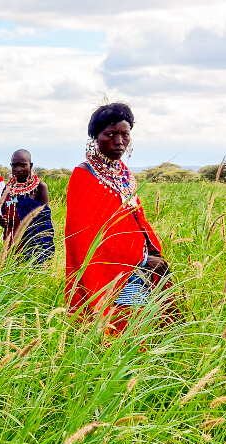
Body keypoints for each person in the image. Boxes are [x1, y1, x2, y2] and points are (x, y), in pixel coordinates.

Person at [65, 103, 171, 326]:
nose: (119, 141)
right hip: (111, 270)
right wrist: (139, 259)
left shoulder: (124, 174)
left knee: (141, 327)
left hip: (142, 266)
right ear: (95, 137)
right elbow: (85, 237)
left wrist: (151, 250)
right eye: (111, 134)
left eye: (125, 134)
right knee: (118, 329)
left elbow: (137, 220)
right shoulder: (84, 176)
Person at [0, 149, 54, 265]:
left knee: (30, 275)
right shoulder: (8, 189)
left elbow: (44, 221)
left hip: (32, 243)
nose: (18, 169)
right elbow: (5, 212)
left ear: (31, 165)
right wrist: (2, 221)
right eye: (14, 165)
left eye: (23, 165)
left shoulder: (40, 187)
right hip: (11, 242)